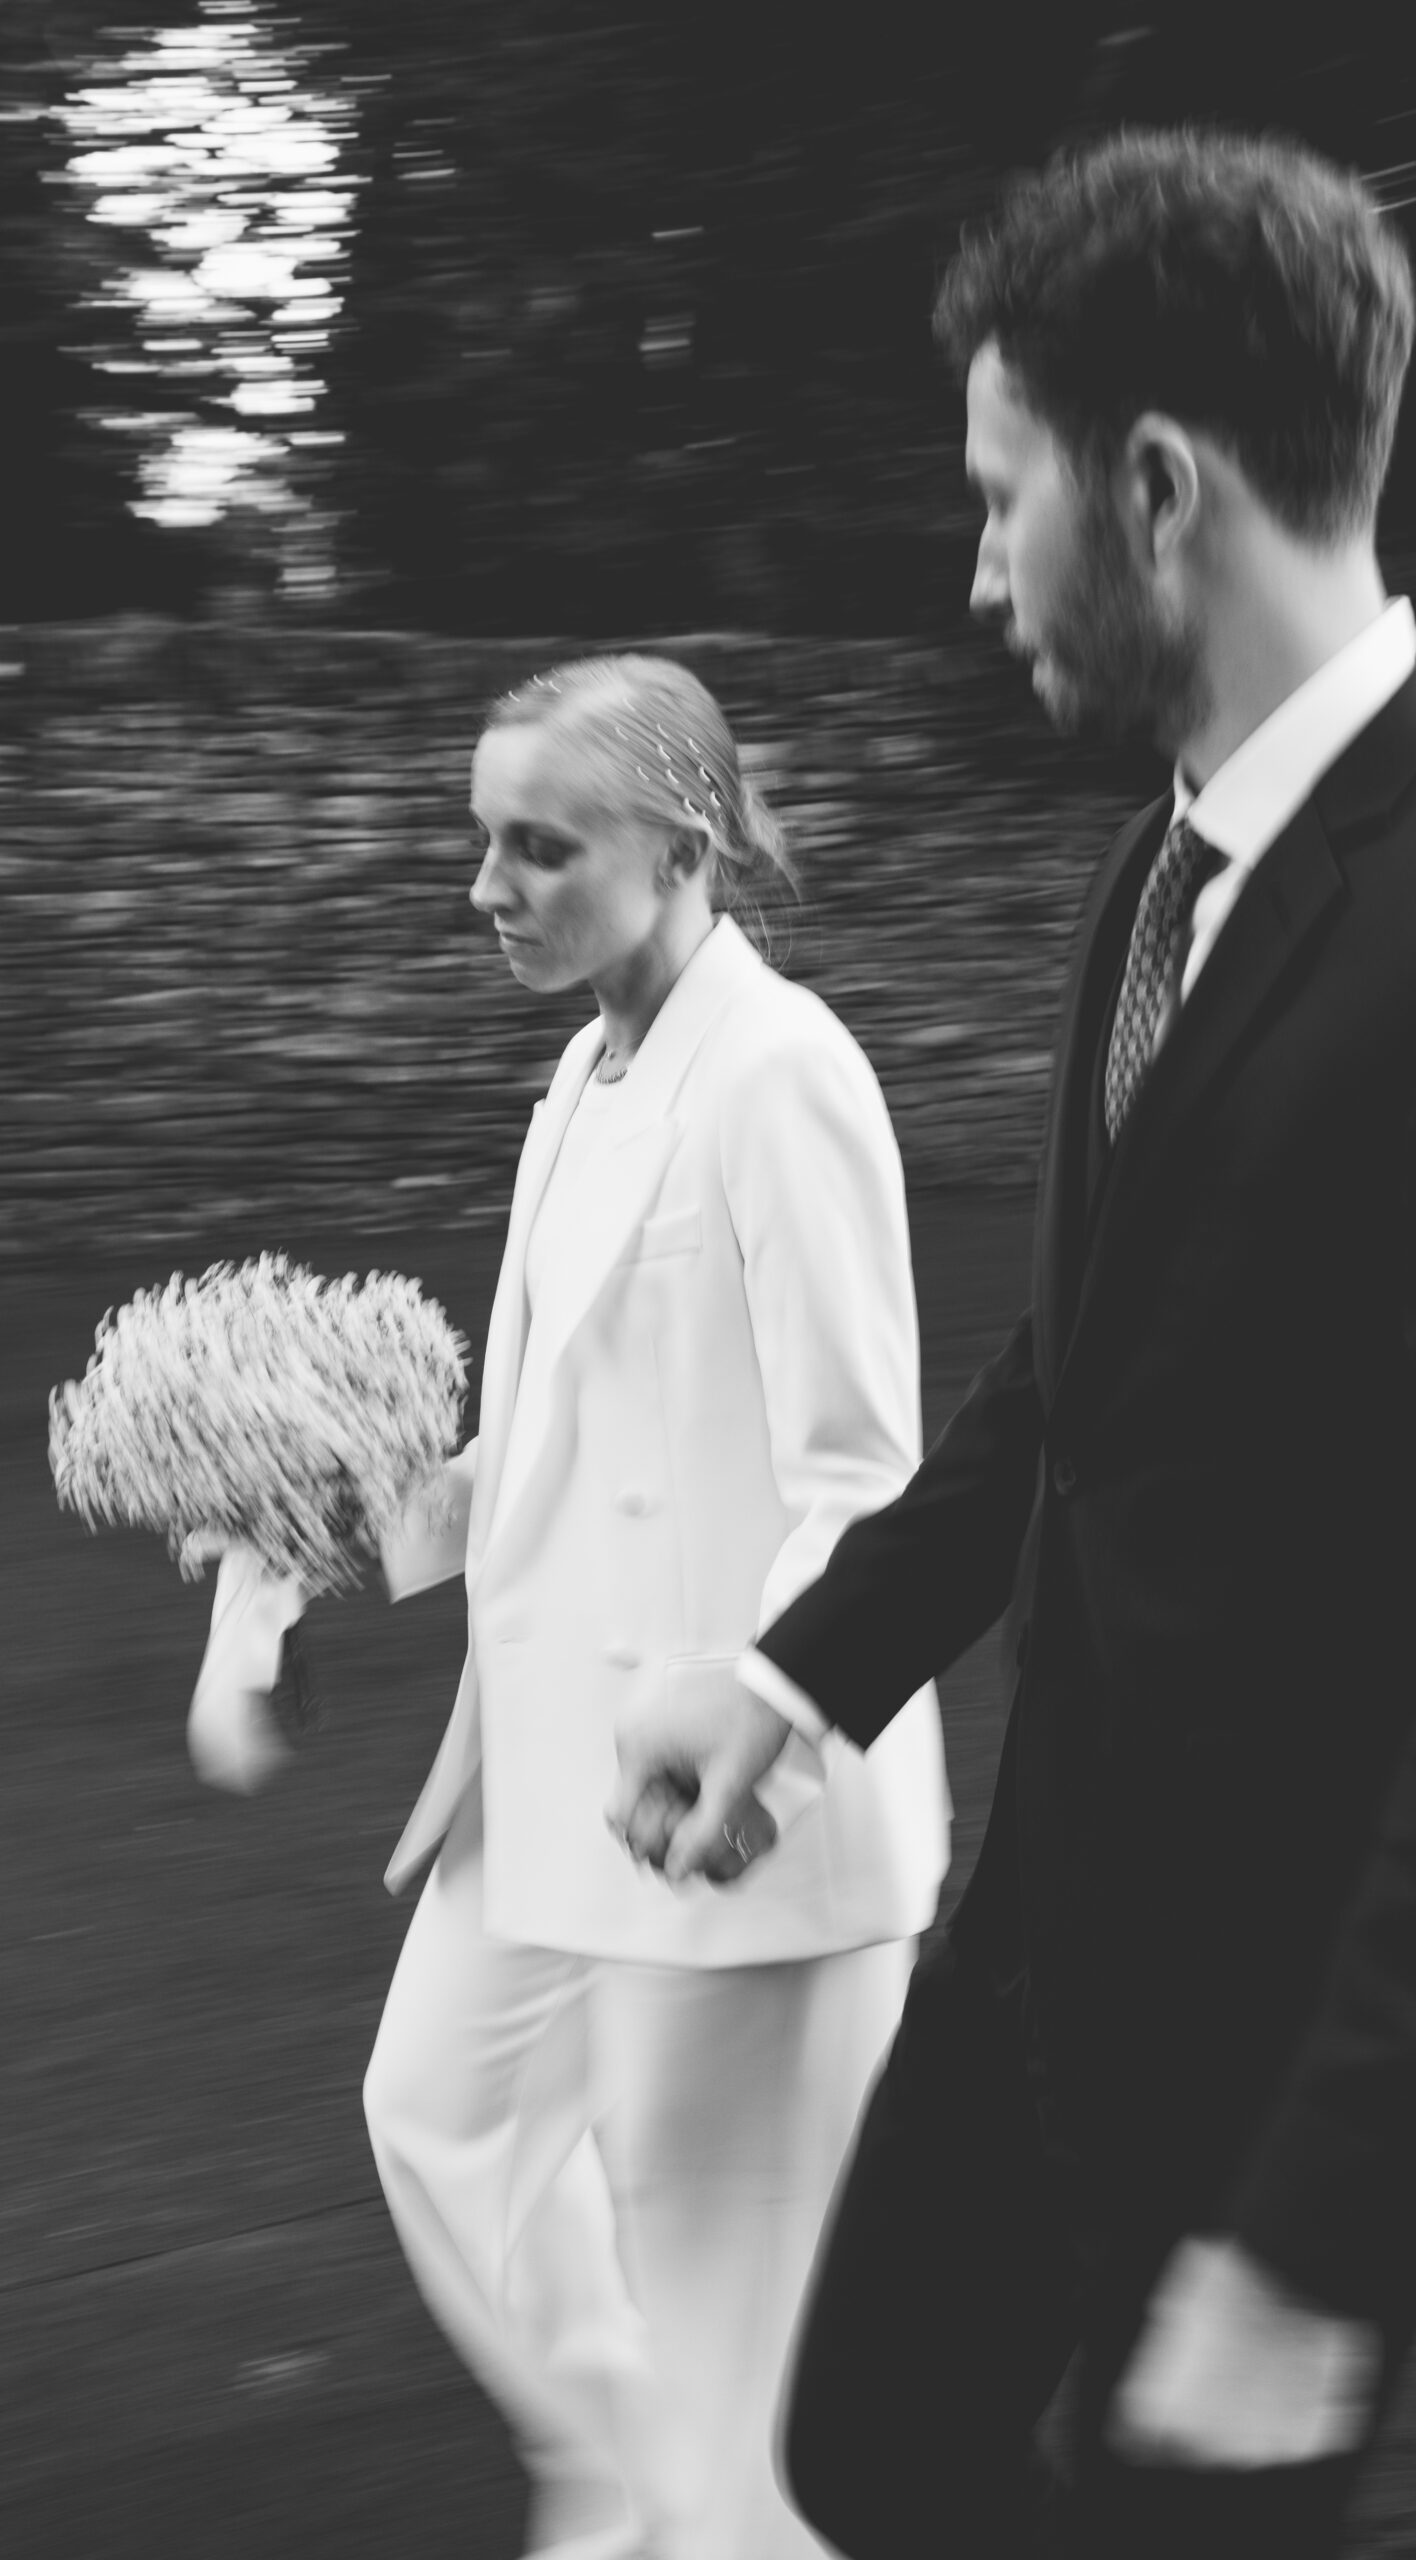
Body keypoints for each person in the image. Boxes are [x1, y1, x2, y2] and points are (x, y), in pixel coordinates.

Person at [607, 128, 1416, 2557]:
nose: (975, 556)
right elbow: (1068, 1392)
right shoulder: (1152, 863)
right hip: (1042, 1945)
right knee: (860, 2447)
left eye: (1000, 497)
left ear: (1158, 486)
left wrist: (1314, 2243)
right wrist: (795, 1682)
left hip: (1293, 2054)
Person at [364, 652, 950, 2560]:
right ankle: (631, 2494)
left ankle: (693, 2521)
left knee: (726, 2352)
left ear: (683, 842)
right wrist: (335, 1493)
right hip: (547, 1776)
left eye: (541, 847)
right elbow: (537, 1453)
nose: (490, 888)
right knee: (432, 2115)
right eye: (486, 843)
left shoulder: (782, 1076)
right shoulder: (577, 1081)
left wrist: (756, 1718)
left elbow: (861, 1478)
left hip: (730, 1802)